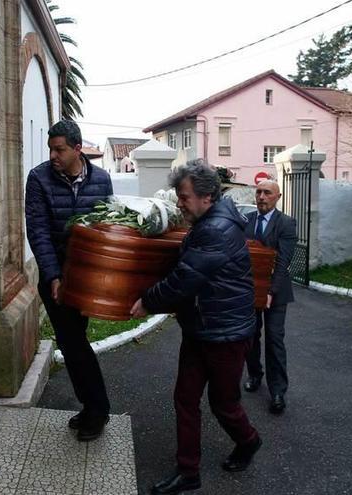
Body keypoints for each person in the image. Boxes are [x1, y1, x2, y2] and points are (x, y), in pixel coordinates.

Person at [131, 160, 262, 495]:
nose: (179, 203)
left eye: (184, 197)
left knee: (224, 404)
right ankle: (188, 472)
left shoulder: (215, 230)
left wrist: (148, 301)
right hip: (201, 329)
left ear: (206, 197)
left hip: (225, 335)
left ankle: (249, 441)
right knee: (185, 399)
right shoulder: (207, 222)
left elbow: (184, 279)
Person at [25, 120, 114, 441]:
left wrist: (102, 277)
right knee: (72, 341)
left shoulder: (102, 180)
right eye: (51, 148)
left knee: (75, 341)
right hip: (56, 277)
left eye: (59, 149)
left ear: (78, 149)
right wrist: (54, 276)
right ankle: (96, 408)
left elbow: (105, 228)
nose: (53, 155)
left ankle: (94, 408)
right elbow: (38, 232)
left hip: (87, 278)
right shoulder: (38, 179)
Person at [242, 180, 297, 415]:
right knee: (250, 337)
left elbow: (283, 261)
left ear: (278, 197)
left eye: (267, 193)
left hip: (276, 291)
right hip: (249, 291)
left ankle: (277, 391)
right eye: (259, 192)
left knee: (274, 339)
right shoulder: (247, 221)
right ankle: (255, 375)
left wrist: (270, 293)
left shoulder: (286, 223)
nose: (261, 196)